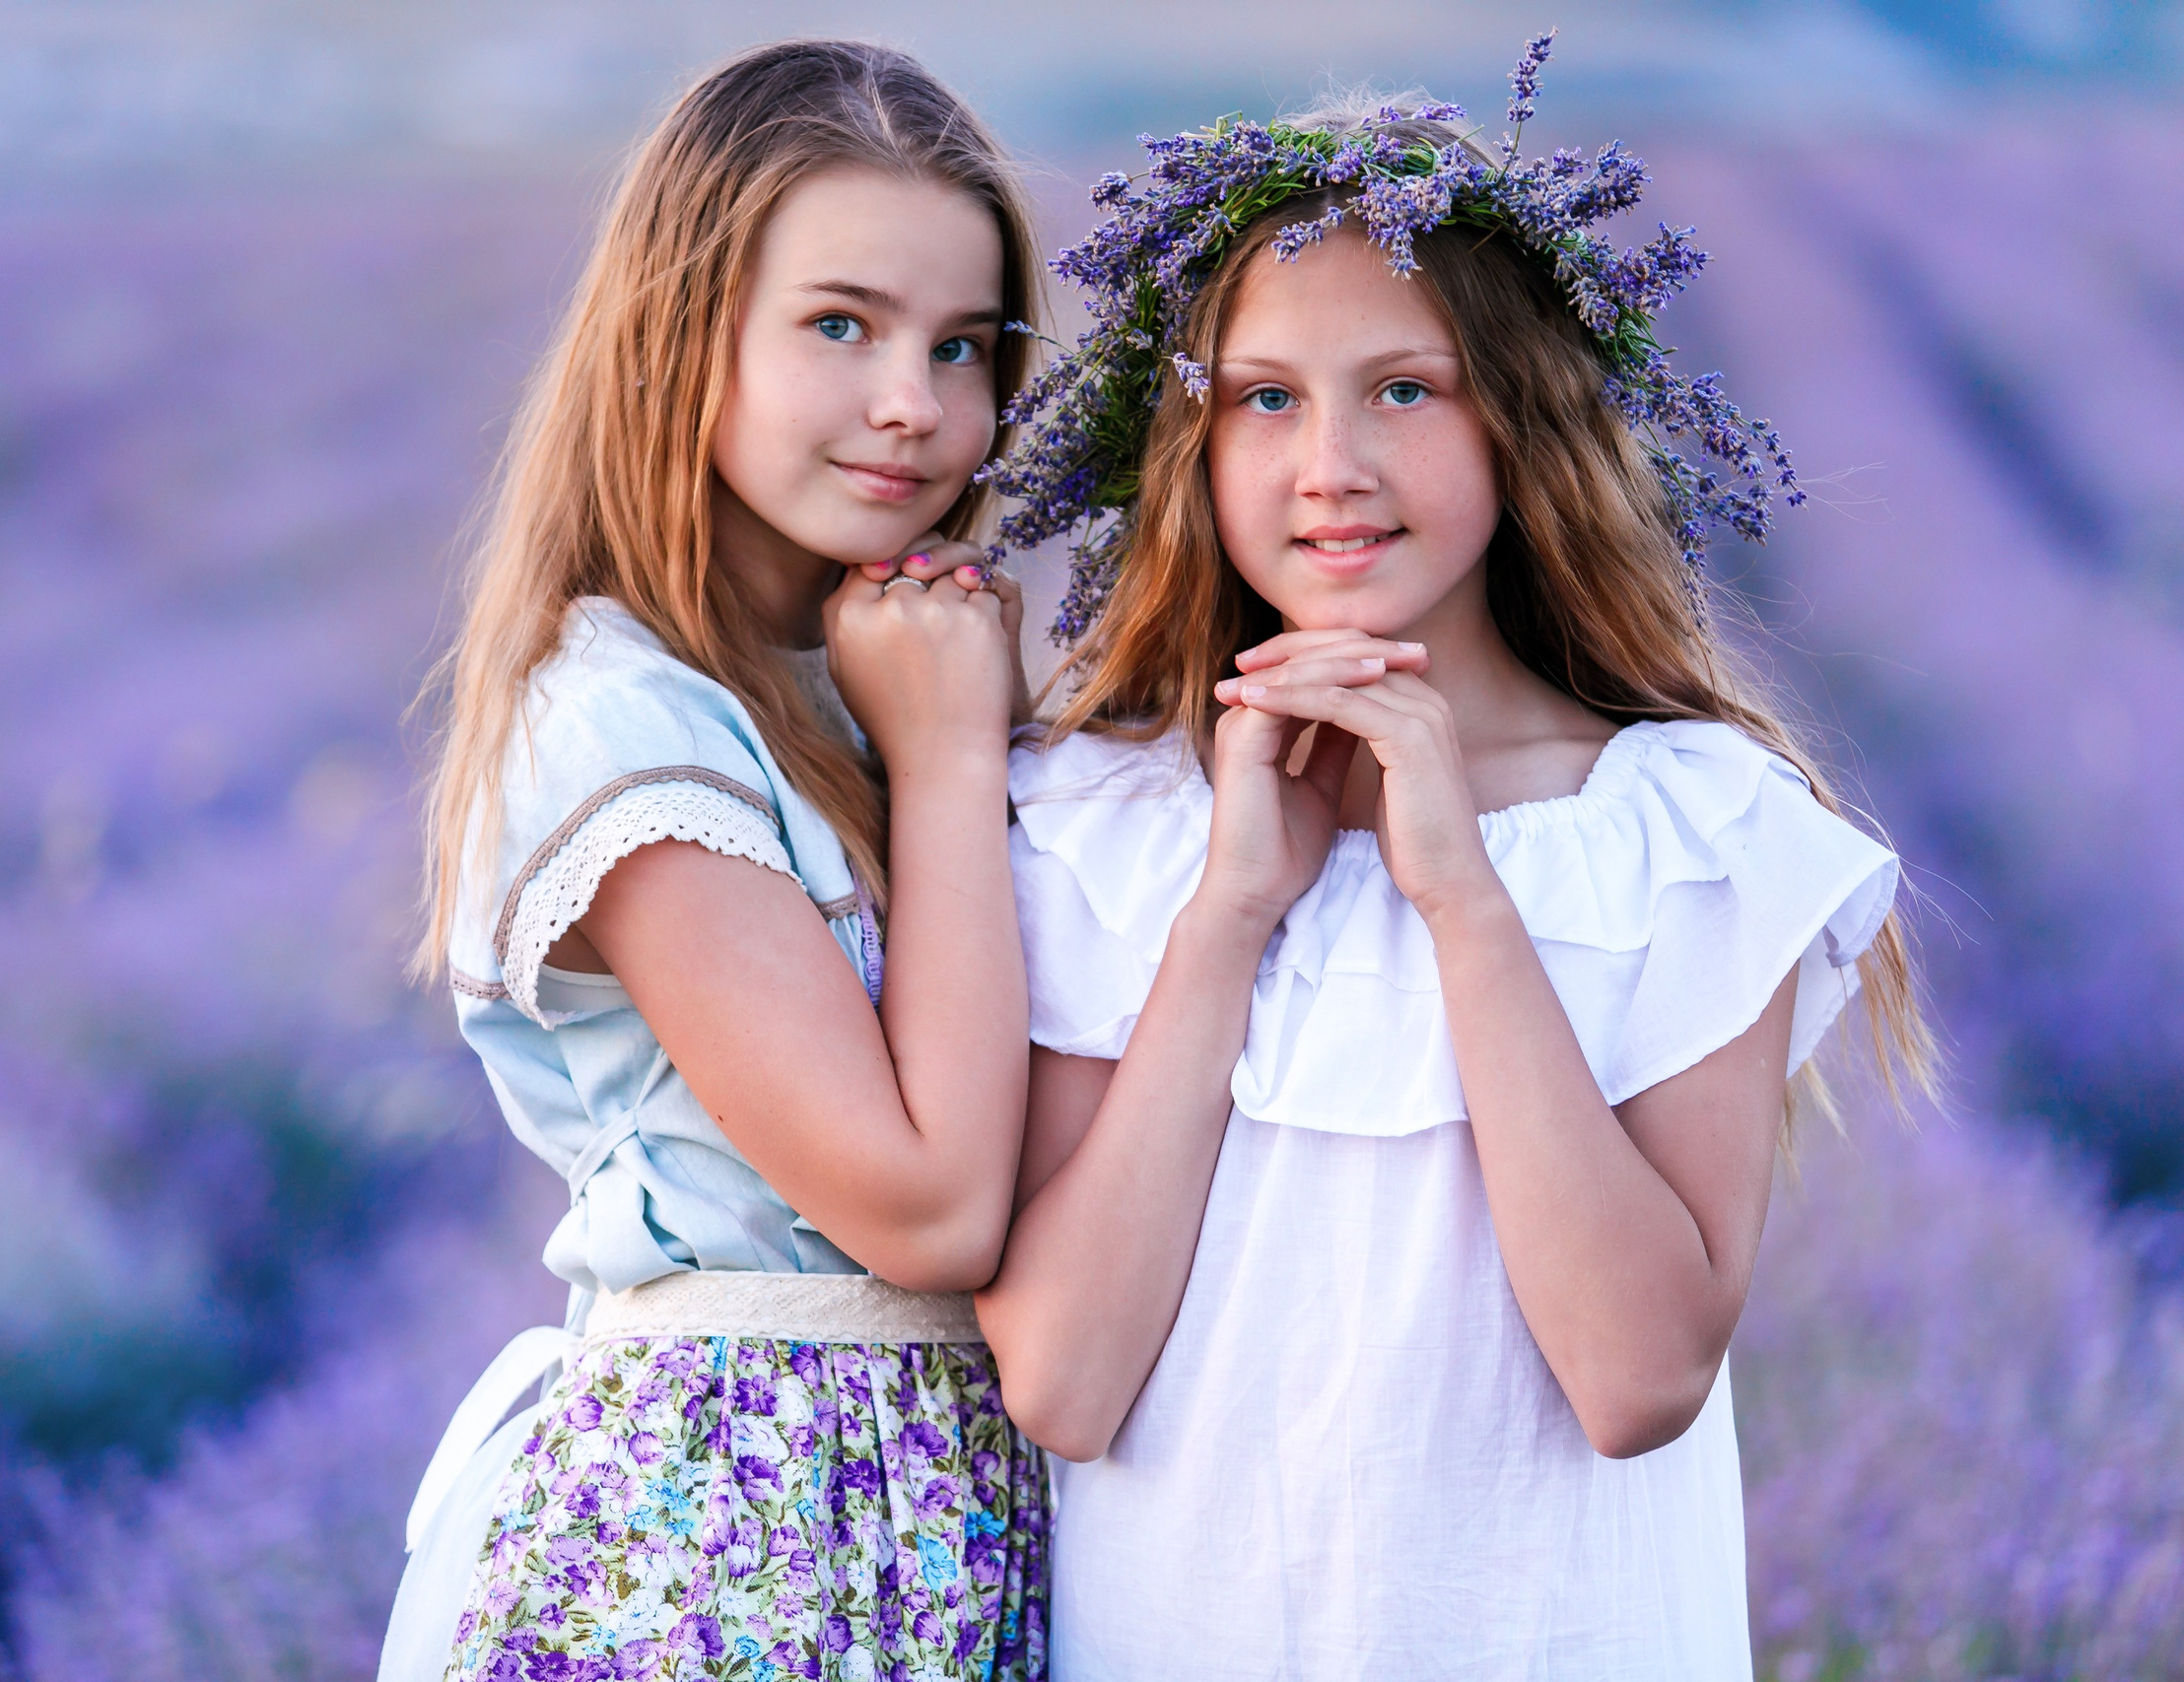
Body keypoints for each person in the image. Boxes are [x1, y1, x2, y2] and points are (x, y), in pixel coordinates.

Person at [970, 41, 1934, 1680]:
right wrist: (1230, 914)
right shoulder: (1096, 826)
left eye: (1404, 390)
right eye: (1266, 398)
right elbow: (1063, 1379)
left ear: (1518, 425)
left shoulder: (1690, 837)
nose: (1329, 466)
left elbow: (1636, 1377)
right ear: (1196, 445)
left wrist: (1465, 901)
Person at [381, 40, 1048, 1682]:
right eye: (841, 326)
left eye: (961, 346)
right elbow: (928, 1209)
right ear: (683, 331)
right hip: (719, 1541)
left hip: (935, 1526)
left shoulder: (887, 677)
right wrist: (951, 765)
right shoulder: (623, 722)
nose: (915, 404)